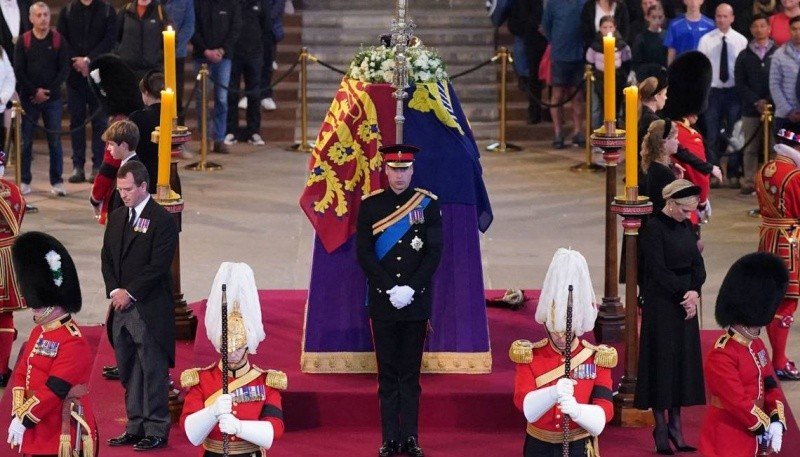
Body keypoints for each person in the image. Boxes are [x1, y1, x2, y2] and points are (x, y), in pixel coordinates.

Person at [356, 144, 443, 457]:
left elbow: (433, 253)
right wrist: (388, 289)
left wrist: (411, 288)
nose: (399, 175)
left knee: (411, 375)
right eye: (394, 169)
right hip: (384, 301)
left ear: (413, 169)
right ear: (385, 169)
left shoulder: (427, 204)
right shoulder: (371, 206)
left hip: (415, 302)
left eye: (405, 169)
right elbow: (364, 253)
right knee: (387, 374)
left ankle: (411, 438)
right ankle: (389, 439)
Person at [101, 160, 178, 451]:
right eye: (120, 189)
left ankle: (157, 427)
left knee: (152, 370)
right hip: (121, 308)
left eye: (128, 189)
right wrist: (114, 291)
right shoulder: (118, 216)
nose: (123, 194)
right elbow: (106, 258)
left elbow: (158, 266)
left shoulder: (162, 221)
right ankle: (135, 426)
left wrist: (129, 292)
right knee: (129, 368)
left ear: (144, 186)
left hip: (148, 308)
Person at [510, 248, 616, 457]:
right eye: (554, 331)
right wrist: (552, 393)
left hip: (578, 444)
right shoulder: (530, 355)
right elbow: (524, 404)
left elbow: (605, 411)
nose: (560, 338)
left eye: (565, 332)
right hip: (540, 445)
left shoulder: (596, 359)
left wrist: (578, 411)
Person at [180, 262, 286, 456]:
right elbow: (190, 432)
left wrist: (240, 427)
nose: (233, 354)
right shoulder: (201, 380)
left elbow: (275, 430)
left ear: (248, 346)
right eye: (227, 349)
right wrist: (211, 412)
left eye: (238, 348)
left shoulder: (265, 382)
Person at [7, 231, 97, 456]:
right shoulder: (40, 331)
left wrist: (24, 419)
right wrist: (18, 412)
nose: (34, 310)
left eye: (38, 305)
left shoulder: (72, 341)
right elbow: (22, 372)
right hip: (37, 420)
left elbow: (55, 389)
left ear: (55, 304)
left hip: (59, 426)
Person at [635, 179, 706, 455]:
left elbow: (697, 265)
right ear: (671, 203)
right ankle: (661, 427)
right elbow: (657, 270)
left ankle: (676, 425)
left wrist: (695, 292)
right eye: (684, 210)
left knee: (681, 363)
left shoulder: (686, 226)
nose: (688, 215)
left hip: (686, 301)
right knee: (662, 363)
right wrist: (683, 294)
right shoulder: (653, 228)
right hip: (663, 303)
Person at [698, 252, 789, 457]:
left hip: (754, 435)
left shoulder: (756, 346)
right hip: (727, 438)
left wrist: (776, 417)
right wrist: (765, 424)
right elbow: (736, 401)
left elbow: (770, 384)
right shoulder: (721, 354)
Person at [754, 128, 800, 381]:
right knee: (787, 302)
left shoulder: (764, 169)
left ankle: (776, 358)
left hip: (768, 237)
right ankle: (779, 360)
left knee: (773, 299)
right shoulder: (794, 175)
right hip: (789, 242)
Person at [57, 0, 116, 184]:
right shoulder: (67, 11)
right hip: (74, 76)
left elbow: (110, 40)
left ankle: (98, 165)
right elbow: (62, 39)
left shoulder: (107, 11)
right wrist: (78, 62)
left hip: (99, 75)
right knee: (76, 121)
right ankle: (78, 166)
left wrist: (88, 60)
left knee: (99, 122)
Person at [13, 1, 69, 197]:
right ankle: (25, 180)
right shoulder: (24, 41)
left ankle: (57, 181)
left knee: (54, 141)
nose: (43, 18)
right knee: (25, 142)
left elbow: (64, 70)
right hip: (29, 99)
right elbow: (19, 70)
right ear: (30, 18)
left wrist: (47, 91)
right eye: (39, 15)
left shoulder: (57, 40)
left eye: (46, 14)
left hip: (52, 99)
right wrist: (34, 91)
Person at [86, 54, 144, 224]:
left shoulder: (119, 127)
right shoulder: (140, 118)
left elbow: (109, 168)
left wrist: (95, 197)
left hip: (121, 199)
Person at [697, 3, 747, 184]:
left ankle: (734, 173)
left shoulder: (741, 40)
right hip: (713, 91)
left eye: (725, 16)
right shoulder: (706, 40)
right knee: (711, 134)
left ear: (732, 18)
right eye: (718, 16)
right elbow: (701, 67)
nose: (721, 19)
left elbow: (744, 68)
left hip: (734, 92)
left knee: (735, 133)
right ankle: (714, 173)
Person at [192, 0, 242, 154]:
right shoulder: (198, 3)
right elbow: (193, 28)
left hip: (224, 58)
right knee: (202, 100)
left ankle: (219, 138)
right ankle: (204, 139)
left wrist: (222, 50)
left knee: (221, 98)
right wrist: (205, 50)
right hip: (202, 56)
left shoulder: (232, 4)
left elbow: (236, 28)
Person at [734, 14, 776, 195]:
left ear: (769, 29)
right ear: (751, 30)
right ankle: (750, 181)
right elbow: (740, 82)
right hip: (750, 109)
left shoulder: (778, 52)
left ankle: (774, 180)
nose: (759, 29)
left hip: (775, 107)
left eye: (762, 25)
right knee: (750, 148)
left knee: (775, 147)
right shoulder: (744, 55)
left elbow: (778, 80)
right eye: (755, 26)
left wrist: (768, 99)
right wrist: (755, 101)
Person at [542, 0, 587, 149]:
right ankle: (558, 132)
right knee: (557, 94)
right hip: (559, 55)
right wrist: (556, 42)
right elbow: (546, 27)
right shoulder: (554, 3)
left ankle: (578, 131)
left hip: (579, 55)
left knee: (578, 95)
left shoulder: (584, 3)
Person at [224, 0, 268, 146]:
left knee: (254, 93)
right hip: (234, 52)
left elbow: (265, 25)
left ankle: (254, 132)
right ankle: (231, 131)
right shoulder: (232, 4)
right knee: (232, 93)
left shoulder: (259, 3)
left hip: (254, 53)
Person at [0, 174, 24, 387]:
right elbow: (21, 212)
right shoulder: (13, 189)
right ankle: (1, 369)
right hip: (7, 256)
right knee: (5, 314)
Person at [585, 16, 632, 119]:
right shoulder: (594, 46)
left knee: (617, 108)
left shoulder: (622, 45)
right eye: (605, 27)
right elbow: (589, 63)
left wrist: (622, 75)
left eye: (610, 27)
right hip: (599, 80)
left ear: (615, 27)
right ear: (600, 28)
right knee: (597, 109)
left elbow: (627, 63)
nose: (608, 30)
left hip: (618, 80)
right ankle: (597, 132)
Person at [114, 0, 169, 79]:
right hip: (128, 69)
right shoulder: (126, 10)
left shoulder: (160, 11)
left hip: (152, 71)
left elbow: (171, 38)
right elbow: (115, 36)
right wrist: (120, 54)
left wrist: (159, 57)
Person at [128, 70, 163, 193]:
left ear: (146, 93)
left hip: (143, 176)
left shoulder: (137, 118)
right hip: (169, 176)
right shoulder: (172, 117)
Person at [102, 119, 142, 215]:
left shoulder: (132, 170)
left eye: (111, 144)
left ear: (123, 145)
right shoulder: (125, 165)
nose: (108, 148)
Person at [163, 0, 194, 125]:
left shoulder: (186, 2)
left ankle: (177, 128)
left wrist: (173, 47)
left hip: (177, 54)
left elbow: (189, 25)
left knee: (177, 94)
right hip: (154, 56)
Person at [640, 118, 681, 214]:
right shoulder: (663, 172)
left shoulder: (653, 164)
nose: (678, 142)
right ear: (665, 141)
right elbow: (670, 208)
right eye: (675, 138)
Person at [768, 15, 800, 134]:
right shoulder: (779, 54)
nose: (797, 32)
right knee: (786, 151)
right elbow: (774, 85)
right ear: (789, 31)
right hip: (785, 117)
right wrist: (789, 111)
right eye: (794, 29)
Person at [631, 3, 668, 81]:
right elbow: (637, 64)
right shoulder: (641, 38)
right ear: (647, 17)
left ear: (664, 17)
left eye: (660, 17)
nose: (657, 20)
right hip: (646, 79)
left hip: (664, 78)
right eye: (653, 17)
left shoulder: (668, 36)